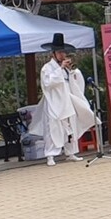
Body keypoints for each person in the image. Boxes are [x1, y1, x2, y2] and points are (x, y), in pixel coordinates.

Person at [35, 33, 95, 167]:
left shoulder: (65, 67)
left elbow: (74, 81)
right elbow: (48, 83)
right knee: (53, 128)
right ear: (53, 53)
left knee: (71, 126)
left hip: (67, 99)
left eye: (63, 52)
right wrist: (60, 69)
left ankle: (71, 152)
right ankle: (50, 155)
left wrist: (72, 72)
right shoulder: (47, 68)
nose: (62, 55)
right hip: (54, 101)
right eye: (59, 52)